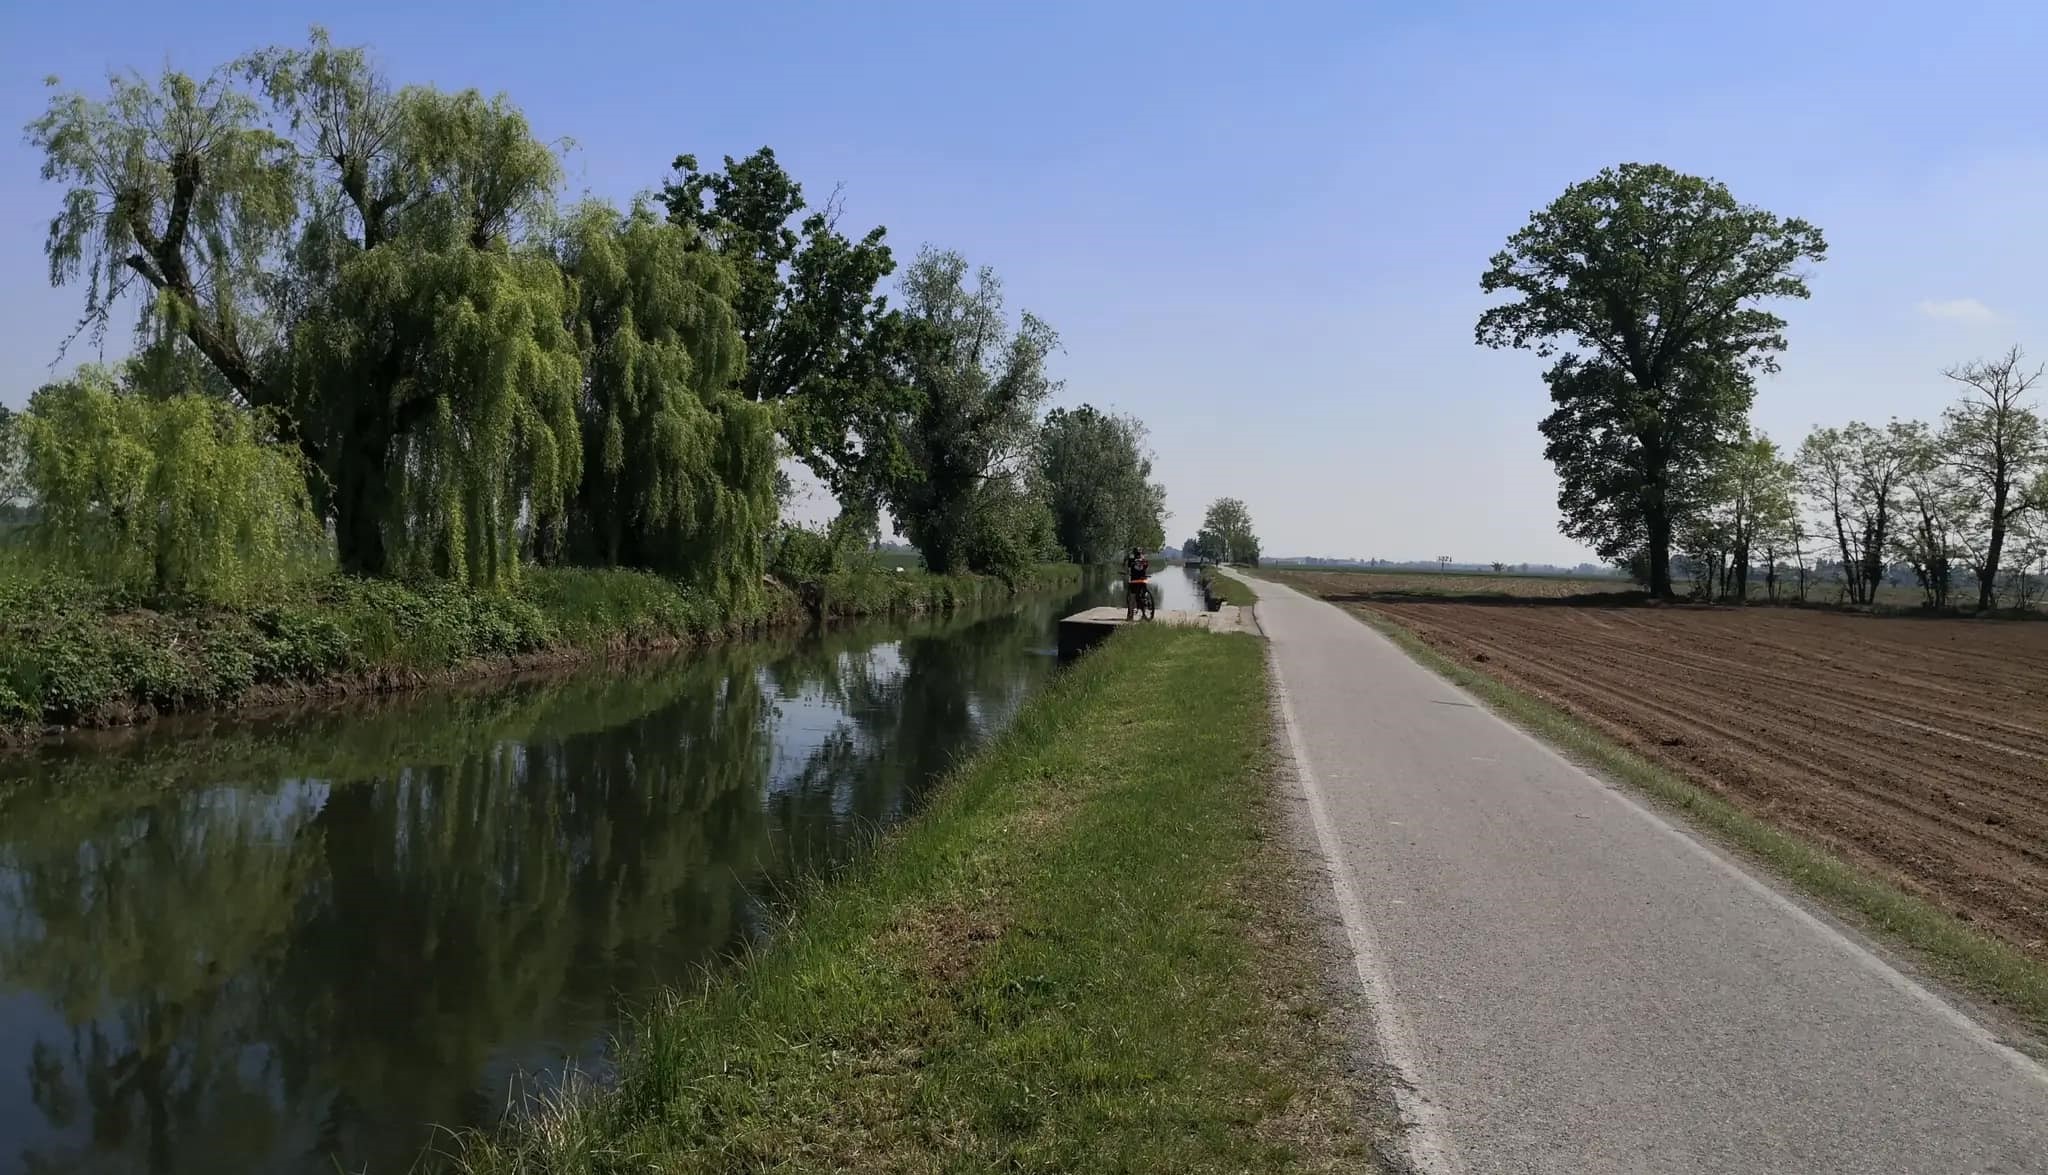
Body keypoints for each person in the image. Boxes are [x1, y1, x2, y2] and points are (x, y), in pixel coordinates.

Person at [1124, 547, 1151, 620]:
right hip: (1143, 580)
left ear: (1134, 553)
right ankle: (1144, 615)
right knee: (1143, 597)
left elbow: (1128, 568)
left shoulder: (1131, 560)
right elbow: (1146, 567)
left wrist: (1127, 573)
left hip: (1134, 581)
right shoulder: (1144, 560)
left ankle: (1130, 615)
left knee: (1132, 597)